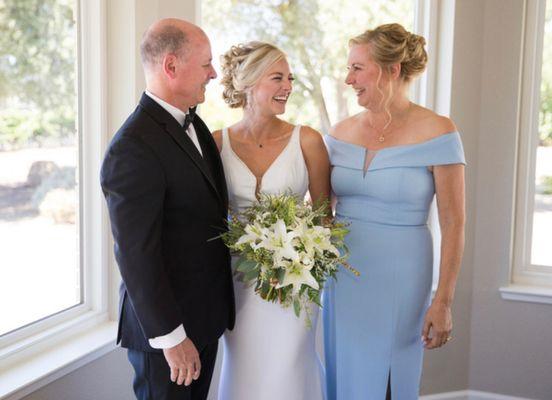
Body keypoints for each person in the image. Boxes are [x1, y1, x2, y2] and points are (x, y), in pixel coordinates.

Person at [322, 23, 466, 399]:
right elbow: (321, 213)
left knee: (388, 380)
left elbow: (454, 223)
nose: (348, 78)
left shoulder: (439, 131)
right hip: (342, 279)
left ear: (392, 69)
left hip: (402, 277)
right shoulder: (337, 134)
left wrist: (444, 300)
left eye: (357, 68)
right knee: (344, 376)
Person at [100, 19, 235, 400]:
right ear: (171, 66)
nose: (214, 73)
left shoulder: (197, 126)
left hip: (203, 320)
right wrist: (172, 338)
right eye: (207, 63)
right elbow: (136, 254)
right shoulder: (132, 147)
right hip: (168, 334)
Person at [211, 41, 331, 400]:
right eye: (277, 78)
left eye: (289, 78)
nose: (288, 87)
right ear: (248, 83)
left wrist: (298, 258)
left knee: (288, 369)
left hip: (295, 282)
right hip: (238, 282)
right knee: (246, 370)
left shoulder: (307, 140)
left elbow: (324, 218)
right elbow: (211, 218)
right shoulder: (217, 143)